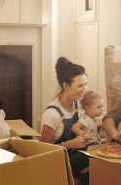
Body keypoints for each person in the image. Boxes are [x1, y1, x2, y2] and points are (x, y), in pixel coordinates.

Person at [39, 57, 90, 185]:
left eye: (85, 84)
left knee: (103, 160)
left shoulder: (78, 106)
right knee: (91, 153)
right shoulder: (52, 114)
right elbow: (40, 151)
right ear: (65, 86)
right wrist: (70, 144)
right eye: (80, 86)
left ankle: (74, 181)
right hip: (53, 162)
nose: (85, 90)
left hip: (71, 157)